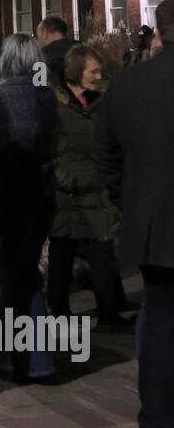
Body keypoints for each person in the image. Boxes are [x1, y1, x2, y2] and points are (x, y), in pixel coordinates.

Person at [93, 0, 174, 428]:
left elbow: (104, 153)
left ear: (159, 32)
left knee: (161, 325)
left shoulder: (129, 84)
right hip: (153, 217)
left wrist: (129, 199)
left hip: (153, 224)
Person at [0, 34, 59, 383]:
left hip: (7, 192)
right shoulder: (47, 97)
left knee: (18, 275)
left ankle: (33, 360)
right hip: (40, 191)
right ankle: (7, 356)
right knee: (22, 272)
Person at [47, 45, 129, 336]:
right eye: (93, 70)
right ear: (76, 71)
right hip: (67, 195)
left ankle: (108, 313)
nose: (99, 75)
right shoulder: (54, 106)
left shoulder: (100, 104)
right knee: (62, 255)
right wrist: (66, 180)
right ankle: (58, 312)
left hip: (95, 193)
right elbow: (48, 150)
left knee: (101, 253)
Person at [35, 15, 74, 92]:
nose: (37, 39)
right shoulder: (82, 55)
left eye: (38, 35)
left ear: (45, 33)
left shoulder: (42, 60)